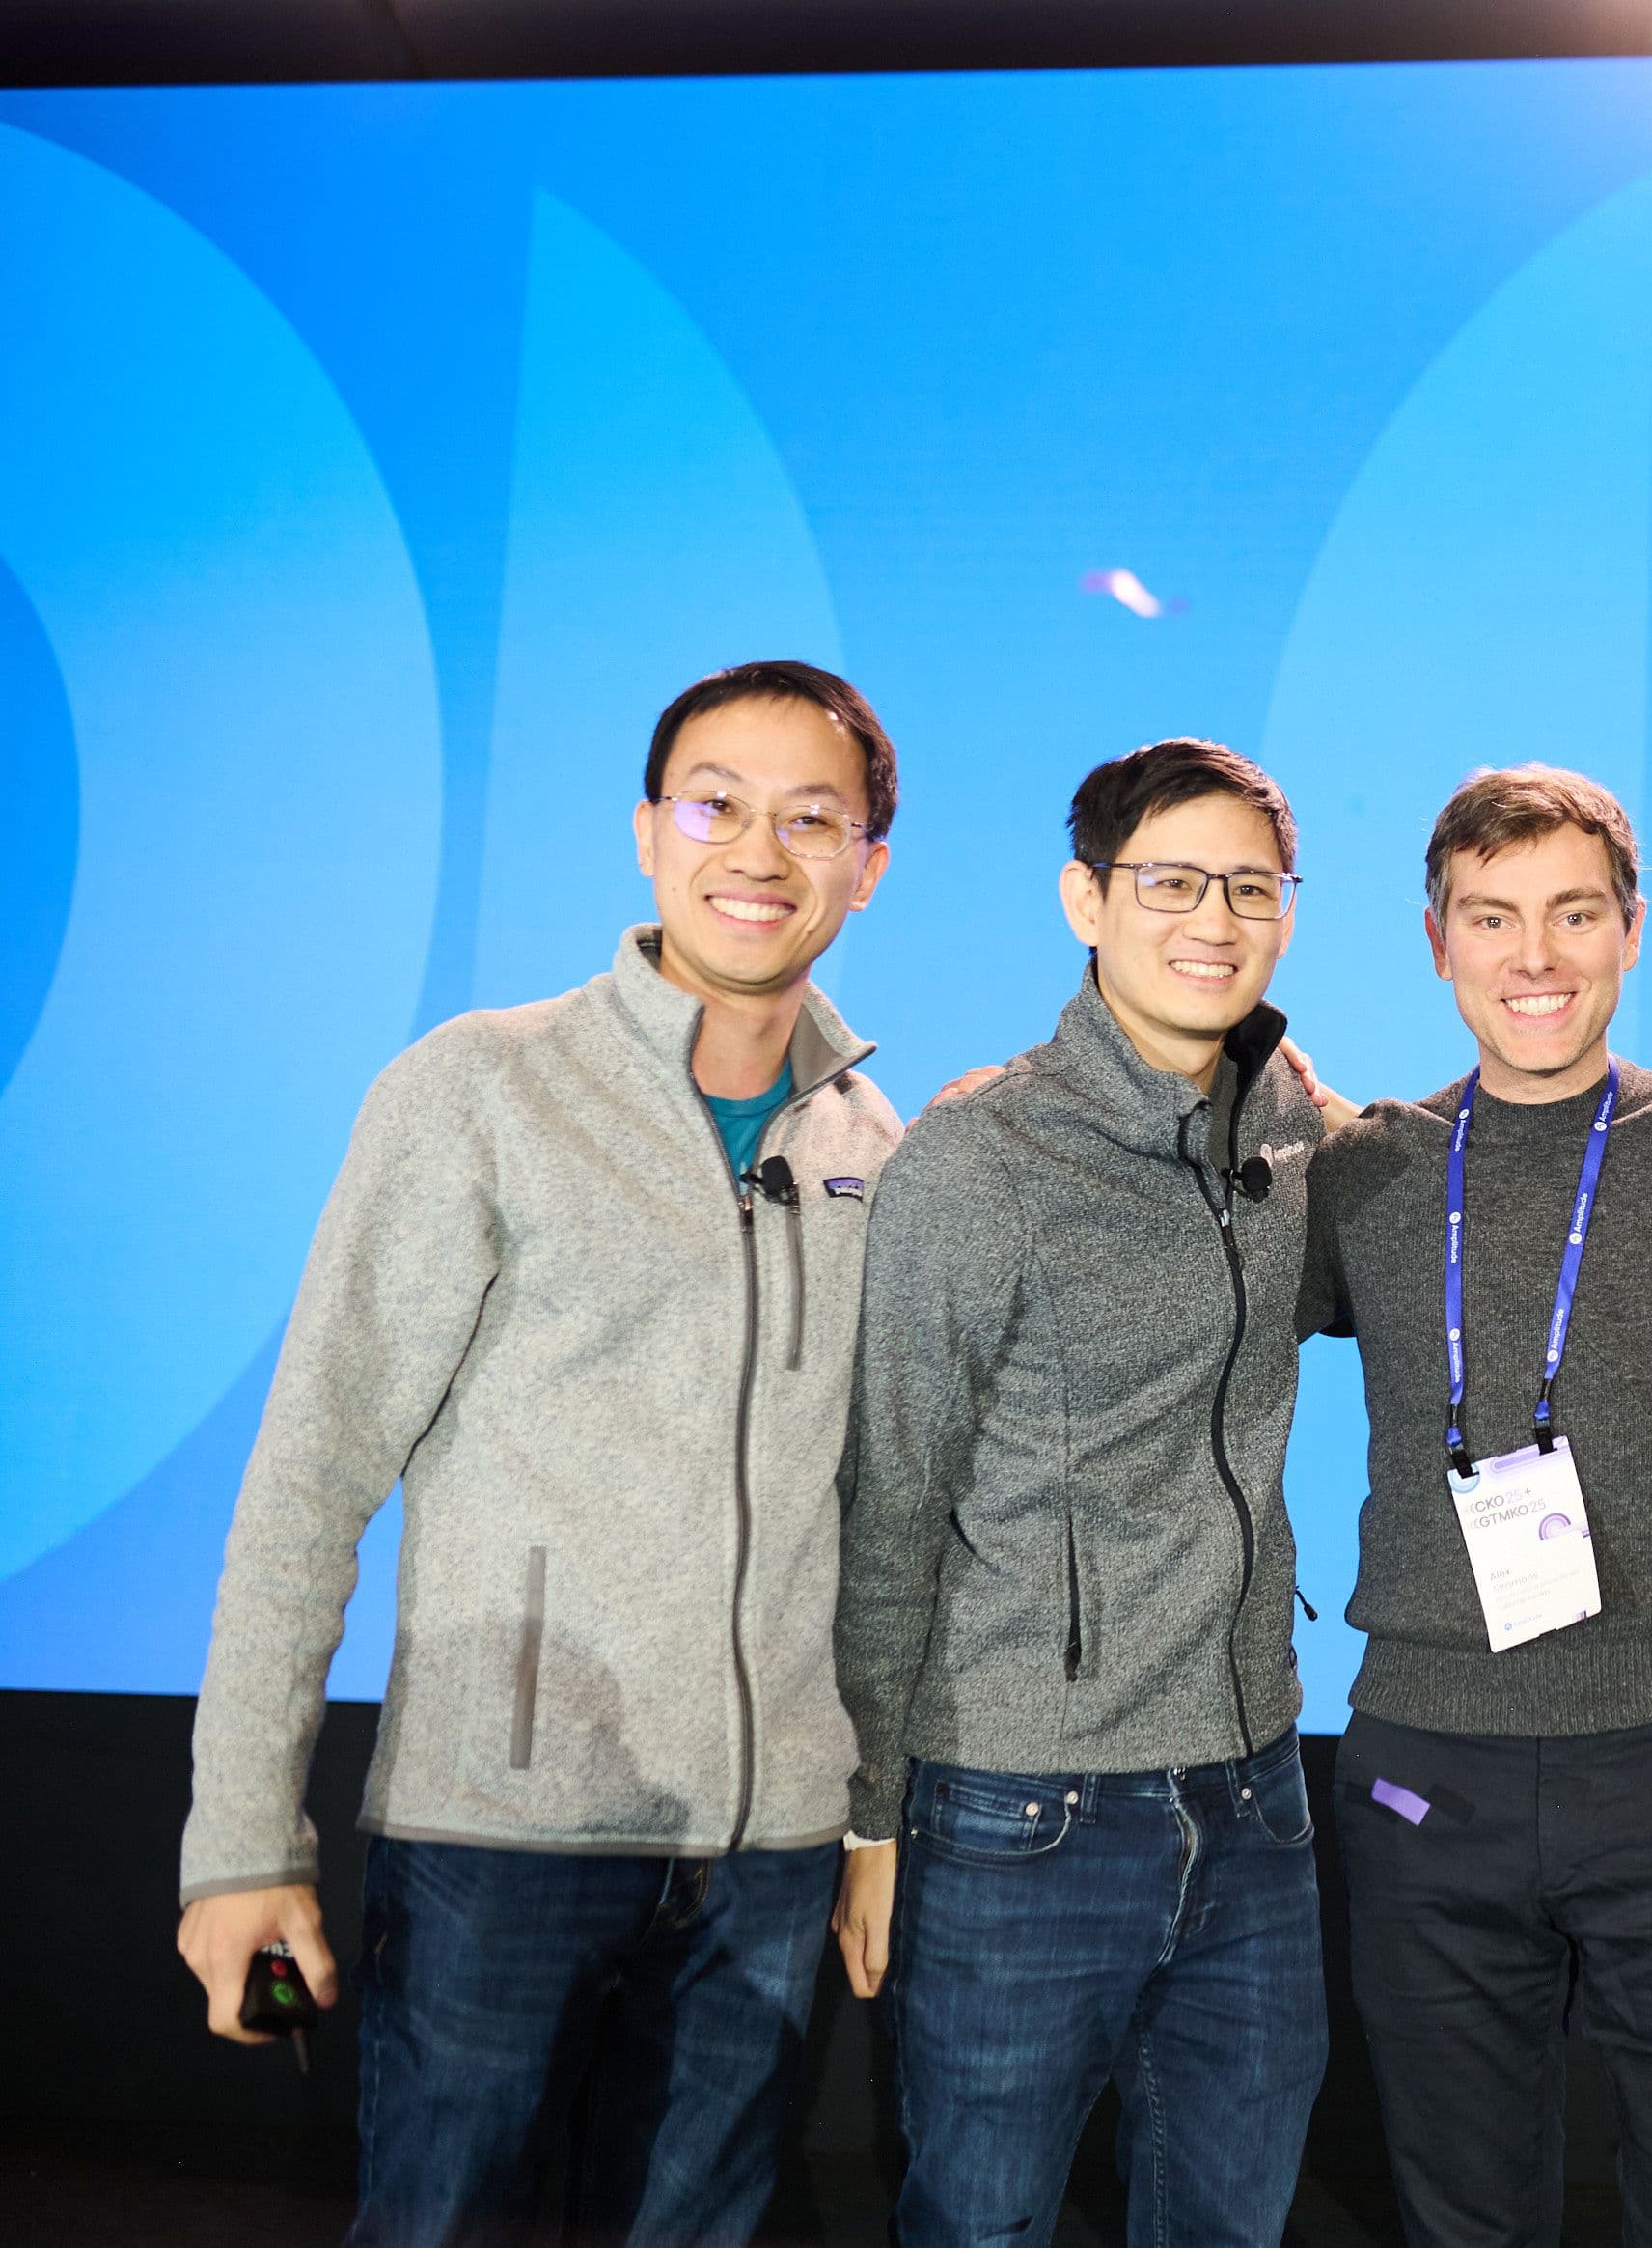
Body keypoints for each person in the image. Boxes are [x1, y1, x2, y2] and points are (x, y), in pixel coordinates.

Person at [176, 659, 904, 2247]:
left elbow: (879, 1524)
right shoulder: (479, 1089)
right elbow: (309, 1476)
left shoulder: (874, 1150)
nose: (758, 852)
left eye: (811, 817)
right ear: (649, 830)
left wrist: (867, 1815)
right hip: (496, 1845)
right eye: (716, 804)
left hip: (765, 1862)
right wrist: (242, 1842)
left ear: (868, 860)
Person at [829, 739, 1329, 2248]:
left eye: (1252, 886)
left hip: (1256, 1799)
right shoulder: (978, 1158)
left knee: (1230, 2227)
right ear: (1085, 900)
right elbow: (891, 1502)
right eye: (1171, 882)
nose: (1214, 919)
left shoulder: (1293, 1131)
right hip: (1019, 1808)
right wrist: (870, 1819)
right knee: (979, 2225)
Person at [1298, 767, 1652, 2248]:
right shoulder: (1364, 1167)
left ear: (1632, 930)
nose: (1537, 957)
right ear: (1437, 939)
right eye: (1494, 917)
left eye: (1575, 914)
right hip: (1423, 1769)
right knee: (1465, 2218)